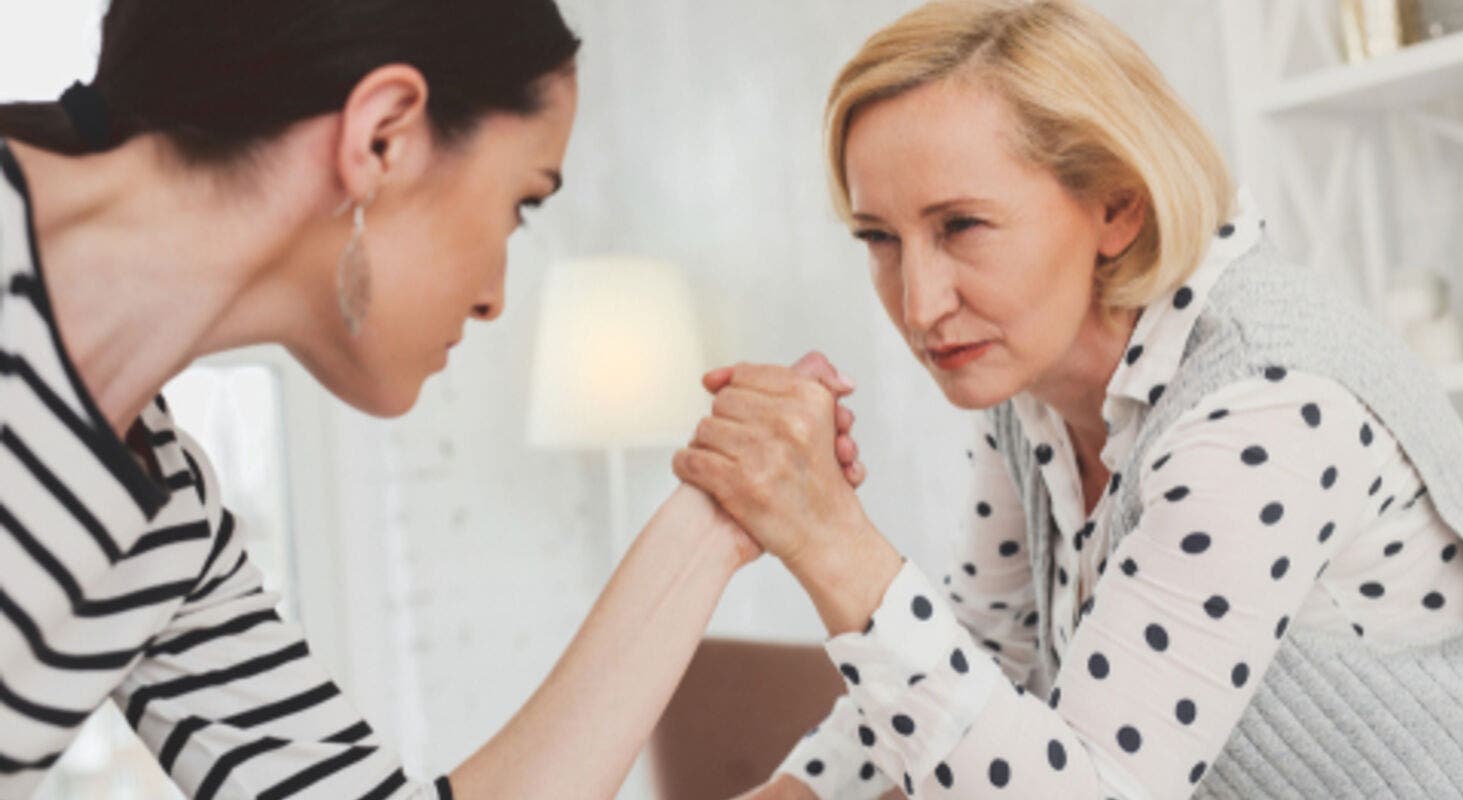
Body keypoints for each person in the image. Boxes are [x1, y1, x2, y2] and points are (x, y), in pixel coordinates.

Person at [0, 1, 866, 797]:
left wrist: (720, 517)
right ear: (383, 138)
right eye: (521, 203)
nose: (495, 295)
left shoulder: (160, 515)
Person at [673, 1, 1463, 797]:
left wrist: (830, 540)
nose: (920, 304)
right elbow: (983, 659)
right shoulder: (1031, 390)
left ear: (1116, 207)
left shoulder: (1263, 404)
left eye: (961, 226)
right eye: (880, 239)